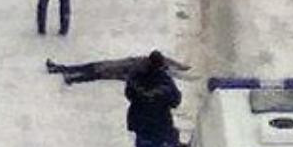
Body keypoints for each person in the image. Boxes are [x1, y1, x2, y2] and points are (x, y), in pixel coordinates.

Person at [125, 49, 181, 147]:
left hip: (139, 122)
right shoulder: (165, 81)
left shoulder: (136, 77)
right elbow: (176, 101)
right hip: (158, 125)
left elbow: (128, 94)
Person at [46, 52, 188, 85]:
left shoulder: (146, 66)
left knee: (92, 72)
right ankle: (64, 72)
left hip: (116, 69)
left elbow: (131, 76)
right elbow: (170, 63)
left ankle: (67, 75)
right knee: (91, 71)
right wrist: (182, 67)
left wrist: (181, 68)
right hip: (115, 67)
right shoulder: (151, 64)